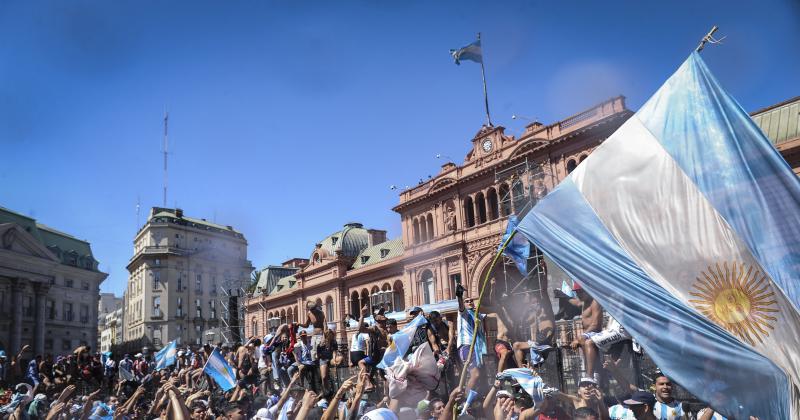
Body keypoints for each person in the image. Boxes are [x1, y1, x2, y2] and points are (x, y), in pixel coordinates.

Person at [455, 283, 486, 396]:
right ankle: (465, 400)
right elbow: (460, 305)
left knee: (478, 375)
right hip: (466, 345)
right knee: (475, 374)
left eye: (471, 300)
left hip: (476, 348)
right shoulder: (464, 313)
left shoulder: (476, 315)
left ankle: (470, 398)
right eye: (467, 301)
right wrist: (459, 295)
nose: (470, 302)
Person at [569, 282, 602, 381]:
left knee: (581, 338)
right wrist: (564, 297)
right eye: (577, 292)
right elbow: (575, 302)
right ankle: (591, 370)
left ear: (587, 290)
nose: (578, 294)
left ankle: (590, 374)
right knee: (580, 339)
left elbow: (595, 324)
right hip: (589, 334)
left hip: (596, 332)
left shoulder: (595, 302)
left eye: (580, 292)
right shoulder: (583, 303)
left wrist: (581, 337)